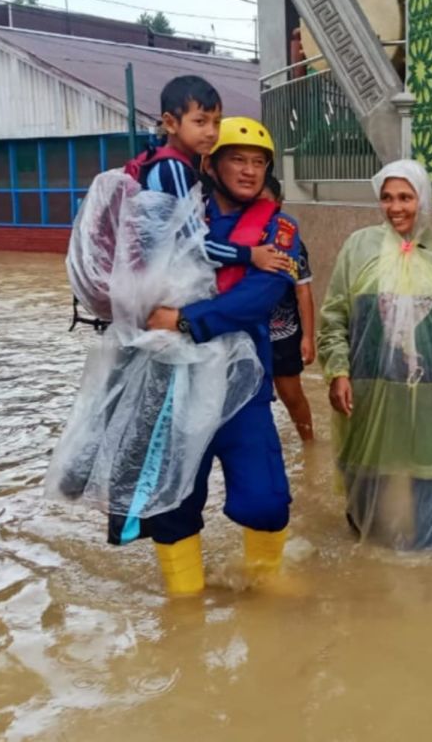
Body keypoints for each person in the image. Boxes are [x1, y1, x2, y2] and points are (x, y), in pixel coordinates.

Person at [144, 118, 302, 596]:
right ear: (210, 163)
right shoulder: (179, 216)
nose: (250, 171)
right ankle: (184, 609)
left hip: (243, 391)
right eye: (238, 159)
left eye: (259, 163)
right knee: (174, 506)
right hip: (177, 385)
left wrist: (186, 319)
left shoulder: (279, 228)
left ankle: (266, 590)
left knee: (267, 499)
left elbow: (262, 295)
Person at [317, 159, 432, 551]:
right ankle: (370, 565)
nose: (395, 207)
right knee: (366, 477)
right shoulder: (359, 246)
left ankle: (431, 573)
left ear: (424, 199)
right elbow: (335, 314)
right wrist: (337, 372)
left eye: (406, 197)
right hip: (369, 386)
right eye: (386, 198)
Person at [124, 75, 288, 275]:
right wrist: (250, 254)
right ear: (170, 123)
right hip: (158, 282)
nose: (211, 132)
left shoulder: (160, 161)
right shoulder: (173, 168)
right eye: (200, 122)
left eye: (216, 122)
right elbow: (194, 244)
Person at [261, 175, 316, 442]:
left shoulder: (292, 244)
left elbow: (303, 290)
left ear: (279, 204)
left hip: (283, 333)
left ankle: (309, 442)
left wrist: (307, 336)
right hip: (249, 333)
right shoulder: (236, 239)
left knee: (292, 395)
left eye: (266, 204)